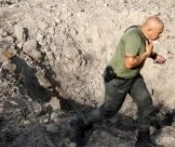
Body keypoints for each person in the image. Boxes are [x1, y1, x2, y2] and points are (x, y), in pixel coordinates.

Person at [71, 16, 166, 147]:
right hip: (118, 80)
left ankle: (143, 139)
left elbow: (140, 50)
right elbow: (129, 63)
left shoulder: (141, 33)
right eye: (159, 32)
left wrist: (153, 55)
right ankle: (81, 122)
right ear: (150, 29)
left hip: (133, 78)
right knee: (109, 111)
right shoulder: (134, 38)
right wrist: (146, 54)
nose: (160, 35)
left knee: (146, 103)